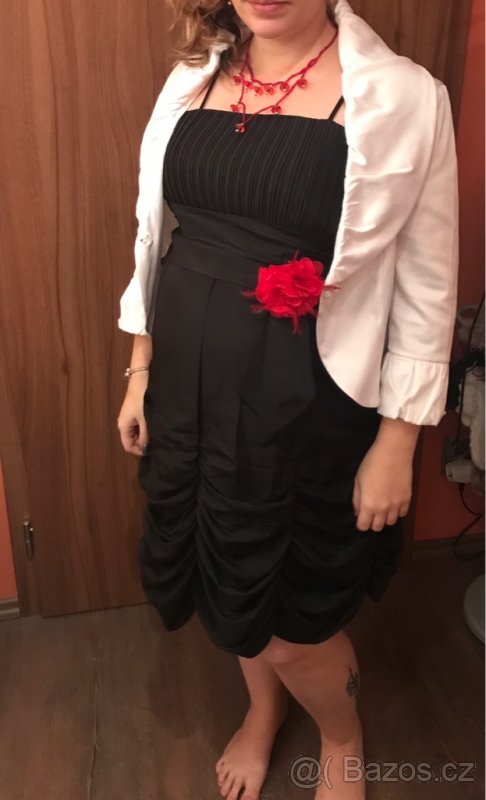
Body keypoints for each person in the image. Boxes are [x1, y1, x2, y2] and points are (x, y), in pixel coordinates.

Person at [116, 0, 459, 798]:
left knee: (293, 621)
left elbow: (427, 283)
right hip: (189, 395)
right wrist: (140, 368)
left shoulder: (404, 96)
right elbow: (152, 235)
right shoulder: (192, 76)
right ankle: (264, 711)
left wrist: (398, 442)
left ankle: (341, 735)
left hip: (305, 407)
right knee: (227, 582)